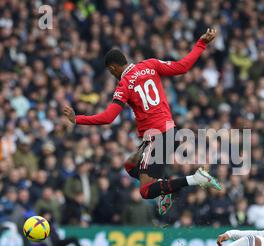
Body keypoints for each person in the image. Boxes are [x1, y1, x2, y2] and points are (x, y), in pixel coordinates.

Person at [63, 28, 222, 216]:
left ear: (112, 68)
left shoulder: (124, 85)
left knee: (146, 192)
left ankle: (195, 179)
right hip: (170, 132)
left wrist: (77, 119)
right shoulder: (150, 64)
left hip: (158, 137)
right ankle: (166, 189)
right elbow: (182, 67)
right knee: (130, 165)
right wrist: (201, 44)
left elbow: (108, 117)